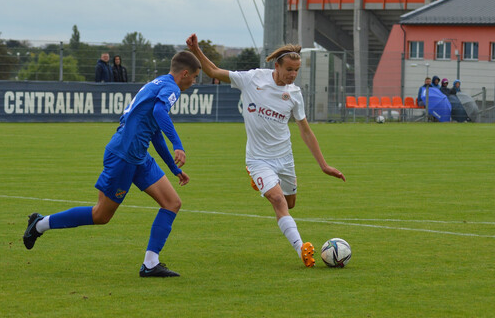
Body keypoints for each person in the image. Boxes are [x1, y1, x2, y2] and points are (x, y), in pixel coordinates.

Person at [23, 51, 202, 278]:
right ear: (184, 73)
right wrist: (178, 144)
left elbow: (155, 133)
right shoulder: (172, 88)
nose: (194, 82)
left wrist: (174, 169)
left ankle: (150, 263)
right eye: (194, 77)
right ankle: (39, 224)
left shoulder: (157, 84)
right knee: (101, 216)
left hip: (138, 154)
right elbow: (158, 111)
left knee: (172, 203)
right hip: (124, 155)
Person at [186, 33, 345, 268]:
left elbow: (306, 131)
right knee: (278, 200)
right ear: (276, 65)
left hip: (285, 158)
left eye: (296, 71)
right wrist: (196, 50)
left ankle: (264, 185)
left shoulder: (295, 94)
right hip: (258, 159)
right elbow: (214, 72)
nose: (292, 75)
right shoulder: (253, 79)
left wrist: (324, 165)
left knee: (290, 204)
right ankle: (302, 249)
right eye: (289, 69)